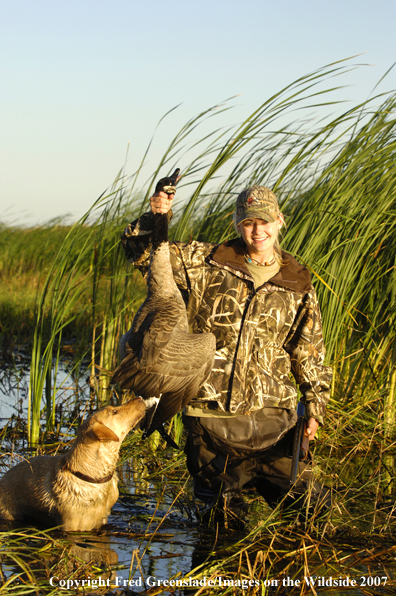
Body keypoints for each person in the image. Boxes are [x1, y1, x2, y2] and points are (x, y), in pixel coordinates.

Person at [121, 183, 332, 526]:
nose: (257, 231)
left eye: (265, 221)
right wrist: (156, 216)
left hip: (274, 422)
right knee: (222, 525)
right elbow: (142, 254)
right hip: (211, 419)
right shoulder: (205, 262)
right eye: (249, 222)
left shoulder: (298, 282)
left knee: (313, 509)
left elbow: (307, 351)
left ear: (280, 222)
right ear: (237, 223)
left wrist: (315, 407)